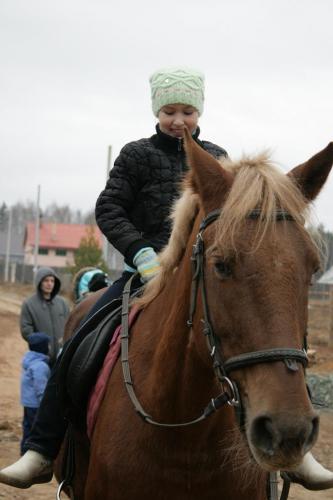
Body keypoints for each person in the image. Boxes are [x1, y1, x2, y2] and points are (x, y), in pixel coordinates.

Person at [0, 67, 332, 492]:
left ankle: (294, 449)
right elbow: (109, 209)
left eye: (188, 111)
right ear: (157, 111)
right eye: (170, 111)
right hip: (142, 276)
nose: (179, 120)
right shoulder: (136, 155)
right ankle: (42, 449)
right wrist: (140, 251)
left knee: (259, 333)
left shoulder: (216, 156)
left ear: (199, 112)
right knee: (80, 340)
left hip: (199, 277)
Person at [20, 267, 70, 365]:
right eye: (46, 280)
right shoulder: (29, 304)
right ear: (39, 282)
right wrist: (41, 345)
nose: (49, 284)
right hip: (40, 359)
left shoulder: (62, 303)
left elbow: (70, 325)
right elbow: (26, 330)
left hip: (61, 358)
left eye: (52, 281)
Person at [20, 333, 51, 455]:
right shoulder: (40, 366)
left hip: (28, 403)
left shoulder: (29, 360)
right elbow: (41, 388)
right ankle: (31, 453)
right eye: (47, 345)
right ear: (43, 347)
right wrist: (45, 405)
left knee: (27, 428)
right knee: (35, 430)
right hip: (36, 405)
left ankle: (24, 451)